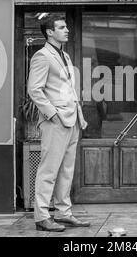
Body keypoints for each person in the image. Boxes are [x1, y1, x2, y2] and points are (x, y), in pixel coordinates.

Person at [27, 13, 89, 232]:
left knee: (66, 170)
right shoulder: (42, 56)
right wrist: (52, 114)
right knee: (49, 170)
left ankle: (63, 213)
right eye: (62, 27)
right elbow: (34, 89)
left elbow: (68, 89)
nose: (67, 30)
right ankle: (42, 216)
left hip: (71, 120)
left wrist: (78, 116)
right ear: (49, 32)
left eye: (66, 27)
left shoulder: (66, 56)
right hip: (55, 121)